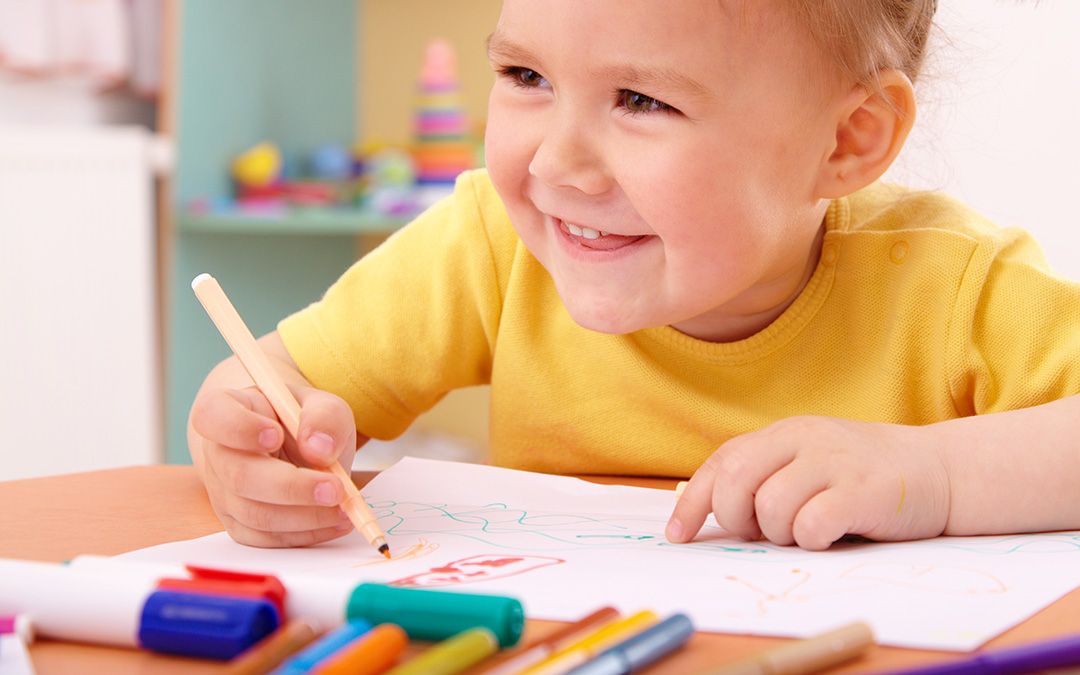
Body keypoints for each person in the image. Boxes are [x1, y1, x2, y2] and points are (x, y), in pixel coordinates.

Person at [188, 0, 1080, 551]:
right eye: (526, 74)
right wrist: (246, 436)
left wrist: (935, 473)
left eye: (643, 100)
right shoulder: (491, 245)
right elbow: (276, 383)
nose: (560, 164)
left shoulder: (954, 287)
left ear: (846, 142)